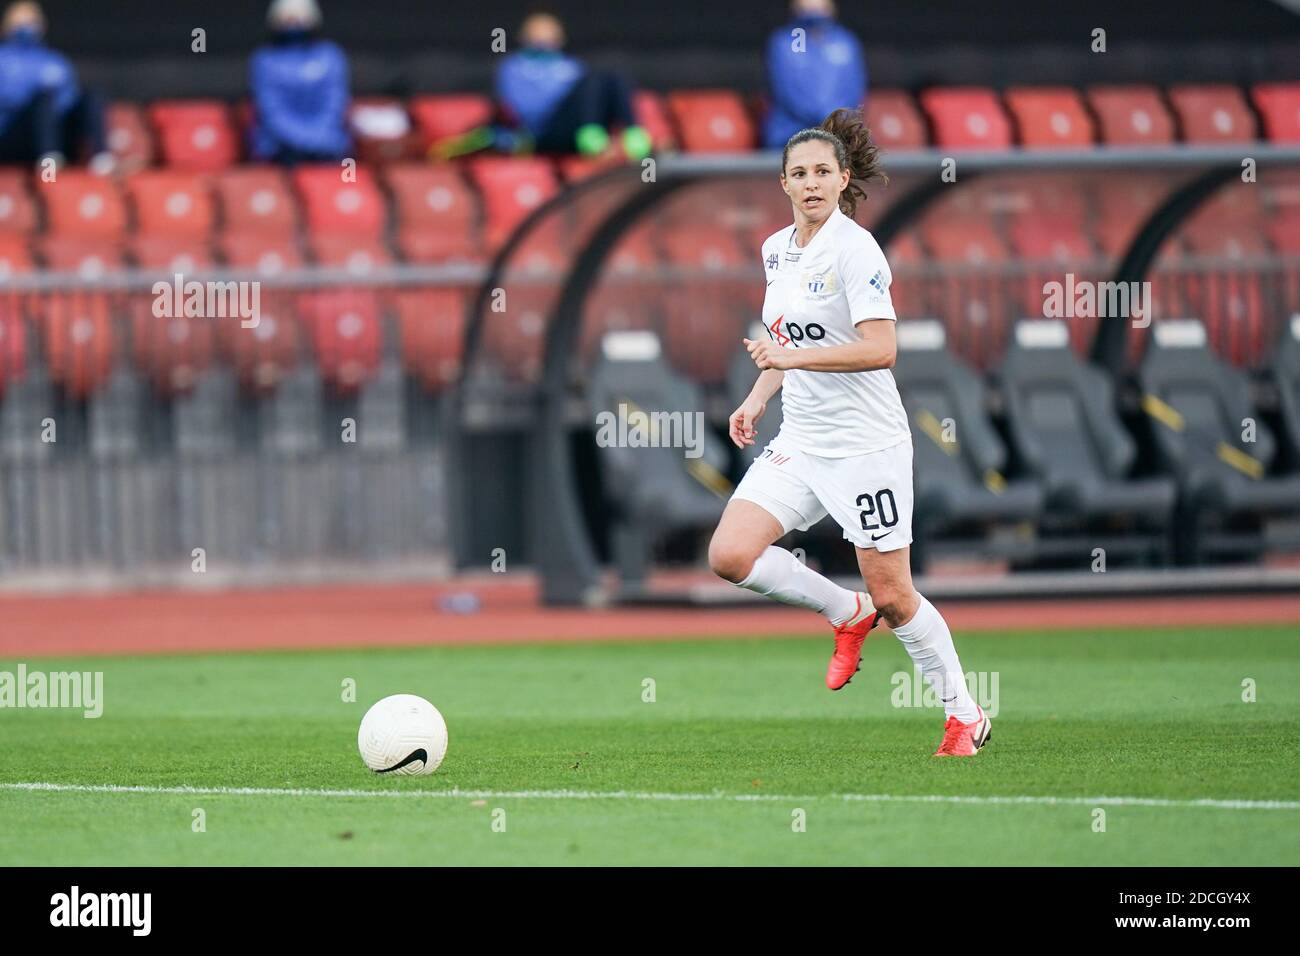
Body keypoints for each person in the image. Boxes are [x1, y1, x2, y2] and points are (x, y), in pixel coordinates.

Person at [710, 108, 991, 757]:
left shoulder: (856, 251)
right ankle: (844, 611)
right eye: (798, 172)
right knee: (729, 555)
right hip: (803, 440)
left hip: (866, 447)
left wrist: (789, 360)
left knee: (895, 593)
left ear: (843, 181)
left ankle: (962, 714)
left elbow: (881, 348)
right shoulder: (775, 248)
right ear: (782, 182)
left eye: (822, 172)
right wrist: (757, 397)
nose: (810, 183)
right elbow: (783, 338)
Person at [433, 11, 650, 161]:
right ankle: (591, 140)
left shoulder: (571, 66)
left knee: (613, 75)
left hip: (581, 125)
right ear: (526, 36)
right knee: (592, 81)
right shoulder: (513, 66)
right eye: (539, 33)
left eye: (550, 33)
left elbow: (591, 100)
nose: (545, 39)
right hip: (546, 132)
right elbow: (525, 110)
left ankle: (634, 137)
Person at [0, 1, 110, 170]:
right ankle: (48, 167)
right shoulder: (3, 58)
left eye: (31, 21)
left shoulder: (55, 60)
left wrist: (54, 104)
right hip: (14, 134)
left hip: (56, 132)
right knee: (43, 100)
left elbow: (69, 97)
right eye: (19, 20)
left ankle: (101, 158)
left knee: (92, 95)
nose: (25, 27)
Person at [249, 0, 350, 165]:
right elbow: (271, 110)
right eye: (288, 17)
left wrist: (318, 139)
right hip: (279, 151)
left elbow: (335, 103)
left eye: (300, 15)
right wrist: (302, 141)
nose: (294, 21)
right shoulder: (265, 60)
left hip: (327, 146)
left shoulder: (330, 55)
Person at [763, 0, 866, 149]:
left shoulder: (846, 40)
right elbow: (788, 91)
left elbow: (854, 89)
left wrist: (833, 123)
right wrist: (822, 122)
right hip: (791, 133)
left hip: (840, 131)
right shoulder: (784, 41)